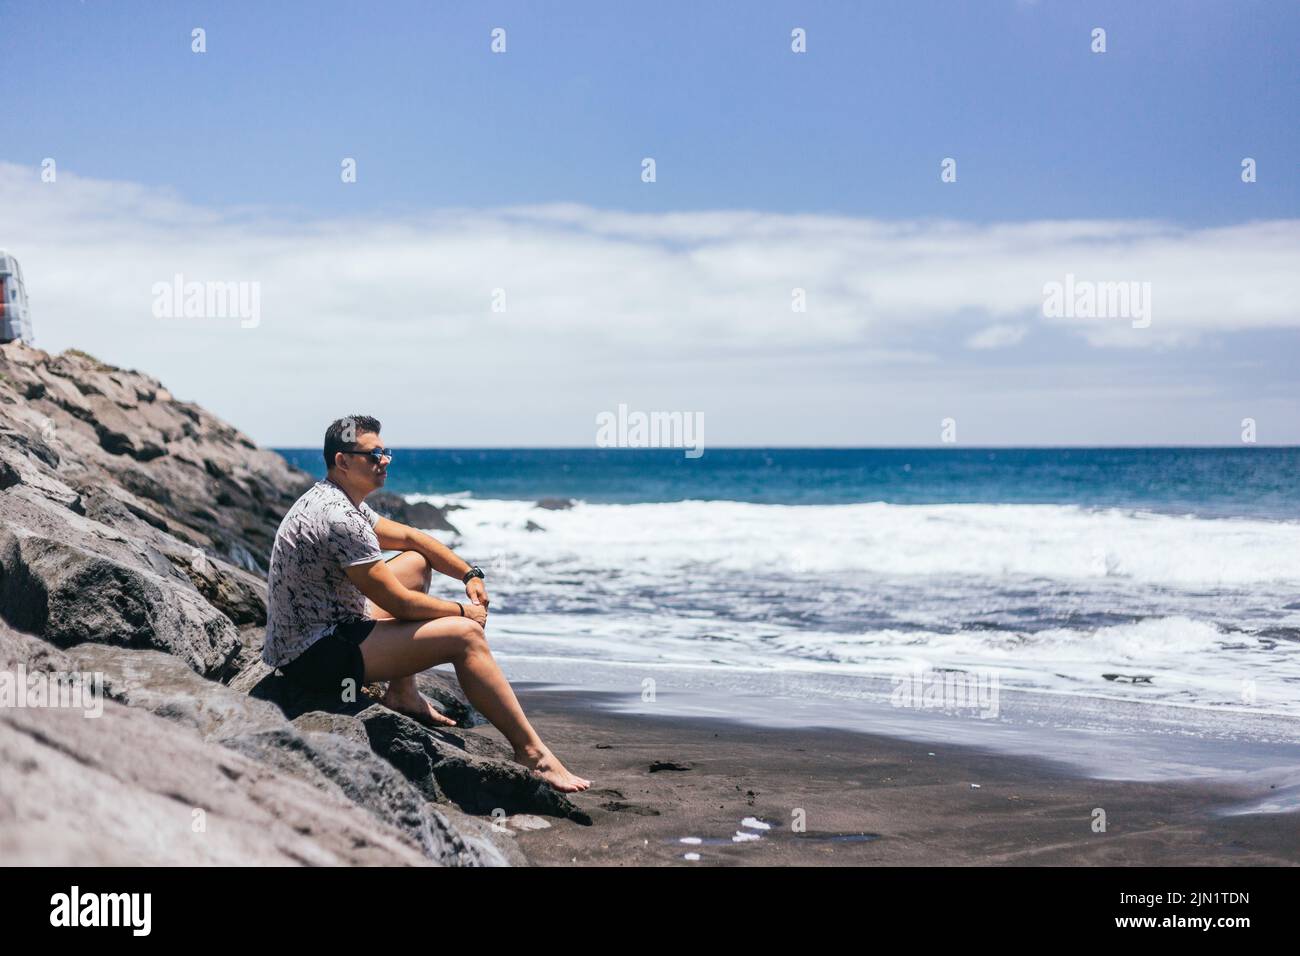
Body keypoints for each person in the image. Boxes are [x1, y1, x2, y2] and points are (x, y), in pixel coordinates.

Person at [262, 414, 590, 793]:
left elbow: (412, 538)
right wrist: (463, 612)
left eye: (385, 452)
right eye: (373, 455)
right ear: (342, 461)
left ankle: (403, 694)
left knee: (415, 563)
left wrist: (470, 575)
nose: (384, 460)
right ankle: (534, 754)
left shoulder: (340, 500)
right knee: (465, 637)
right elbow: (400, 604)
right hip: (312, 655)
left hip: (327, 624)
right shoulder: (339, 518)